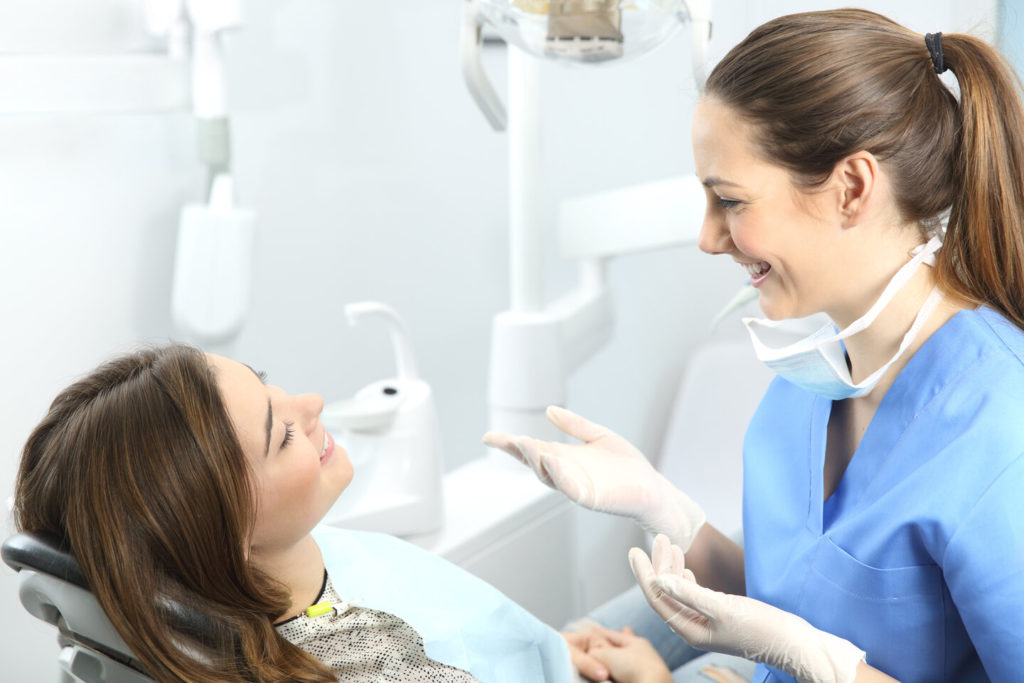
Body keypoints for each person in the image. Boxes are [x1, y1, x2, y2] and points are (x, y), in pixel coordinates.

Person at [485, 8, 1024, 683]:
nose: (708, 237)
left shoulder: (1001, 427)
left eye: (730, 201)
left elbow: (805, 637)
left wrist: (816, 660)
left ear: (852, 188)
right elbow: (795, 600)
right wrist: (667, 509)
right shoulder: (812, 376)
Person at [13, 343, 674, 682]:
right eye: (281, 433)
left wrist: (538, 647)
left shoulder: (281, 580)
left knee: (703, 595)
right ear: (228, 538)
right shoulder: (361, 663)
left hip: (540, 658)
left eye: (267, 382)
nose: (312, 402)